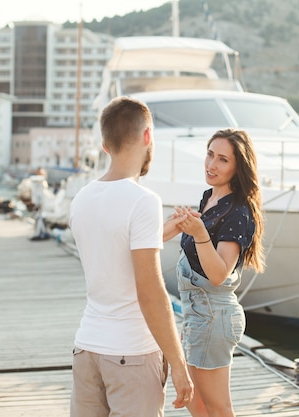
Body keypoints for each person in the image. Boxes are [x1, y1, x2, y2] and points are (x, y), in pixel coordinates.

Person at [68, 96, 193, 417]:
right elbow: (150, 291)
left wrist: (163, 231)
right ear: (148, 136)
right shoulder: (143, 200)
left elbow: (114, 249)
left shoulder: (82, 197)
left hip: (87, 348)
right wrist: (178, 364)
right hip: (132, 353)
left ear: (105, 145)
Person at [164, 128, 265, 417]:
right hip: (197, 313)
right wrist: (178, 224)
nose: (212, 165)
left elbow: (219, 274)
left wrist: (199, 234)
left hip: (213, 316)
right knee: (193, 398)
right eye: (210, 154)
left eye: (222, 159)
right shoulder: (209, 198)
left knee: (218, 408)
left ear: (237, 167)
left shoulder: (238, 211)